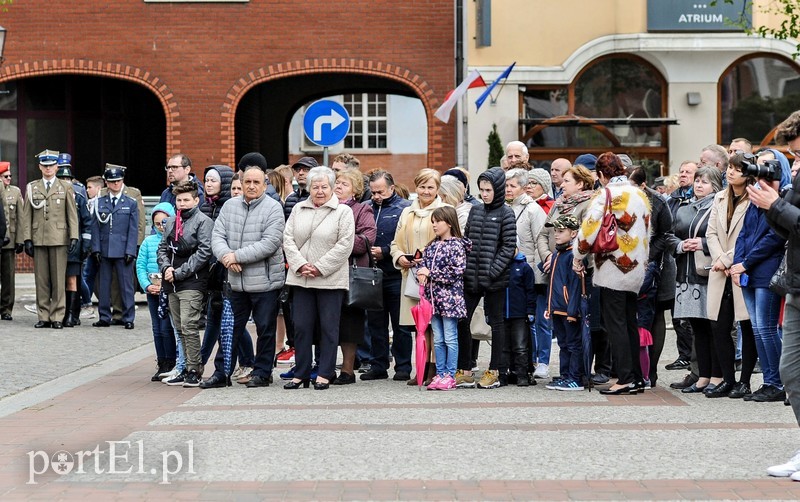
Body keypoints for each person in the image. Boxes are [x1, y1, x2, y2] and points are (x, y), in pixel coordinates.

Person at [202, 166, 286, 389]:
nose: (250, 186)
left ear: (264, 185)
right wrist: (226, 257)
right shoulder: (229, 206)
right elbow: (217, 235)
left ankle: (262, 372)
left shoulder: (273, 208)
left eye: (256, 182)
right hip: (235, 281)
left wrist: (236, 255)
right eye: (247, 181)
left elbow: (270, 243)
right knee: (229, 329)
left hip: (265, 282)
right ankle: (222, 372)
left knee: (265, 329)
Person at [573, 152, 650, 395]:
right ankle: (637, 376)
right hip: (636, 266)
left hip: (612, 265)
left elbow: (589, 229)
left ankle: (625, 378)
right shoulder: (640, 194)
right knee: (629, 321)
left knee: (614, 323)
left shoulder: (606, 194)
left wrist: (578, 255)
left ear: (600, 175)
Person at [751, 110, 800, 479]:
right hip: (796, 283)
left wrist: (776, 205)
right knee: (791, 371)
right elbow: (788, 229)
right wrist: (769, 204)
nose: (795, 160)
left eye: (798, 153)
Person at [283, 166, 354, 390]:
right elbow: (287, 239)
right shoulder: (298, 209)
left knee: (328, 327)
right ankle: (301, 373)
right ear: (309, 188)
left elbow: (345, 245)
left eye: (324, 186)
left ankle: (325, 372)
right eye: (315, 187)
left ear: (332, 188)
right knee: (301, 326)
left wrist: (319, 267)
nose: (320, 191)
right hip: (301, 278)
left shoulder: (343, 212)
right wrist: (300, 264)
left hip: (329, 280)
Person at [730, 149, 791, 402]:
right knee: (756, 329)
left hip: (766, 269)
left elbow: (774, 238)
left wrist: (745, 263)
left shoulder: (783, 196)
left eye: (768, 164)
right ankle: (768, 380)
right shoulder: (756, 194)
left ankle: (777, 383)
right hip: (749, 269)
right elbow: (744, 232)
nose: (762, 168)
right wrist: (737, 263)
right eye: (760, 163)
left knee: (766, 329)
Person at [457, 167, 517, 389]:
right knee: (462, 319)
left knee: (496, 322)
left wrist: (492, 272)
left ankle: (495, 370)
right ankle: (465, 369)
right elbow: (467, 240)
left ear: (498, 189)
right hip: (471, 275)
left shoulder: (506, 213)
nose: (484, 194)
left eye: (489, 189)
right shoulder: (475, 211)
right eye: (482, 189)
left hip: (495, 278)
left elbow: (508, 246)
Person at [537, 164, 599, 380]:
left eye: (567, 181)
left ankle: (577, 374)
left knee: (574, 326)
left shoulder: (590, 204)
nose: (561, 185)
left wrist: (575, 257)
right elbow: (544, 234)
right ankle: (566, 374)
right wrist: (548, 256)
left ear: (580, 184)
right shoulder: (559, 204)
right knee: (562, 331)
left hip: (576, 267)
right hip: (555, 264)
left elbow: (587, 236)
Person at [198, 164, 256, 384]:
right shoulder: (207, 206)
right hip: (216, 269)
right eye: (207, 179)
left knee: (231, 321)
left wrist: (232, 257)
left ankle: (244, 363)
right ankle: (209, 364)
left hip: (233, 269)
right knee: (217, 319)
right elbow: (214, 238)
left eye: (214, 180)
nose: (235, 192)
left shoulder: (230, 208)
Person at [703, 152, 754, 398]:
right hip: (720, 269)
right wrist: (719, 259)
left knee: (746, 325)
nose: (730, 172)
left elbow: (749, 237)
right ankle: (727, 379)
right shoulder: (720, 197)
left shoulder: (754, 199)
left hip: (741, 268)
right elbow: (710, 232)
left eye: (737, 169)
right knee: (719, 326)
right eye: (730, 168)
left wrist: (726, 259)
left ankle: (744, 381)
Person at [390, 168, 448, 385]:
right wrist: (400, 258)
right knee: (418, 324)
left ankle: (434, 367)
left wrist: (430, 263)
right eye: (422, 186)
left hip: (434, 276)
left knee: (434, 324)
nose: (425, 191)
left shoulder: (444, 209)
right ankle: (421, 367)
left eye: (430, 187)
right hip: (412, 275)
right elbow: (396, 242)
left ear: (438, 189)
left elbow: (449, 241)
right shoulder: (407, 212)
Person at [157, 180, 214, 388]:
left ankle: (194, 369)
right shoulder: (171, 221)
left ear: (196, 200)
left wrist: (180, 272)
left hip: (192, 281)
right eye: (179, 200)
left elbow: (204, 253)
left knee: (189, 325)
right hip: (170, 281)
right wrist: (166, 269)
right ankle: (183, 367)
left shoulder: (203, 221)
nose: (182, 203)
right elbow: (162, 248)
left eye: (186, 200)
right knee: (179, 327)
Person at [361, 170, 412, 382]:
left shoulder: (405, 208)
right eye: (373, 192)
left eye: (380, 191)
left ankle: (403, 366)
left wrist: (386, 251)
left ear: (391, 188)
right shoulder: (367, 208)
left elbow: (407, 242)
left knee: (400, 324)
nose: (376, 196)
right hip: (372, 273)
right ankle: (378, 364)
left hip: (396, 273)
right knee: (375, 323)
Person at [22, 149, 79, 329]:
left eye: (51, 165)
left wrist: (74, 236)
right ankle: (43, 315)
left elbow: (71, 214)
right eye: (45, 166)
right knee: (41, 280)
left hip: (59, 237)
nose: (48, 169)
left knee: (58, 280)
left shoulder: (66, 187)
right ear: (40, 166)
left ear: (56, 167)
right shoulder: (32, 187)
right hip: (39, 237)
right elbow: (27, 215)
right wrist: (27, 239)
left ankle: (57, 316)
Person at [416, 206, 471, 391]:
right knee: (438, 339)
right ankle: (439, 373)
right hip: (433, 301)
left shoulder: (456, 245)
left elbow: (456, 272)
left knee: (450, 337)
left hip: (450, 301)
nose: (434, 225)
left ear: (448, 222)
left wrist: (430, 273)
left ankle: (449, 374)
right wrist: (421, 274)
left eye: (437, 221)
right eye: (432, 222)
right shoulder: (432, 245)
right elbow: (423, 265)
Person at [332, 168, 376, 385]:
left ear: (356, 190)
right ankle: (325, 366)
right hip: (326, 274)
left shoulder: (362, 210)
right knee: (327, 321)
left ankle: (348, 370)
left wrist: (336, 243)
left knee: (350, 322)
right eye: (337, 182)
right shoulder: (325, 208)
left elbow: (366, 240)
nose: (338, 186)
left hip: (350, 273)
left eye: (345, 184)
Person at [505, 168, 547, 377]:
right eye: (506, 185)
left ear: (523, 187)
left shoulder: (533, 210)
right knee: (516, 319)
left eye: (512, 186)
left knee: (532, 320)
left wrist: (541, 274)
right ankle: (518, 362)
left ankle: (535, 361)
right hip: (511, 272)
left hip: (530, 270)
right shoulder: (506, 207)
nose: (508, 189)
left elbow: (541, 240)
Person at [90, 165, 139, 329]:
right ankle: (104, 316)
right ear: (106, 183)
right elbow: (95, 227)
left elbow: (133, 229)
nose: (115, 184)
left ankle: (128, 317)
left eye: (118, 181)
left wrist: (131, 250)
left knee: (126, 285)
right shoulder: (99, 202)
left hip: (123, 249)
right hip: (104, 248)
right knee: (104, 285)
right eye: (112, 182)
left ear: (122, 181)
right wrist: (95, 248)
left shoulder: (130, 203)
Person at [543, 215, 585, 391]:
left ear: (574, 233)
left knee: (574, 344)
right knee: (563, 344)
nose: (556, 235)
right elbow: (553, 283)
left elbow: (575, 286)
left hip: (568, 309)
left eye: (561, 231)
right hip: (557, 308)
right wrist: (549, 307)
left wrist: (572, 311)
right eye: (555, 231)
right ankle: (565, 375)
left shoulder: (572, 256)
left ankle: (576, 377)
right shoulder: (556, 254)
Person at [137, 202, 177, 381]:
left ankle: (171, 361)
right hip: (153, 291)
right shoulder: (148, 242)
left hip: (168, 290)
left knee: (167, 327)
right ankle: (161, 361)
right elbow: (140, 266)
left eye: (165, 222)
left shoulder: (175, 241)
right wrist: (146, 285)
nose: (161, 226)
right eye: (157, 223)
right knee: (156, 328)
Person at [55, 154, 93, 328]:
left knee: (72, 280)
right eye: (61, 178)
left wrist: (85, 244)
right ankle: (61, 312)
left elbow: (86, 222)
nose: (65, 181)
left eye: (67, 178)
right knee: (58, 280)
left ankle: (72, 314)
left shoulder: (79, 195)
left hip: (74, 245)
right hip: (56, 244)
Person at [0, 162, 23, 321]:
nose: (9, 179)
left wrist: (20, 239)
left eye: (10, 176)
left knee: (8, 277)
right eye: (5, 176)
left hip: (10, 240)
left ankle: (6, 308)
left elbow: (21, 218)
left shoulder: (15, 192)